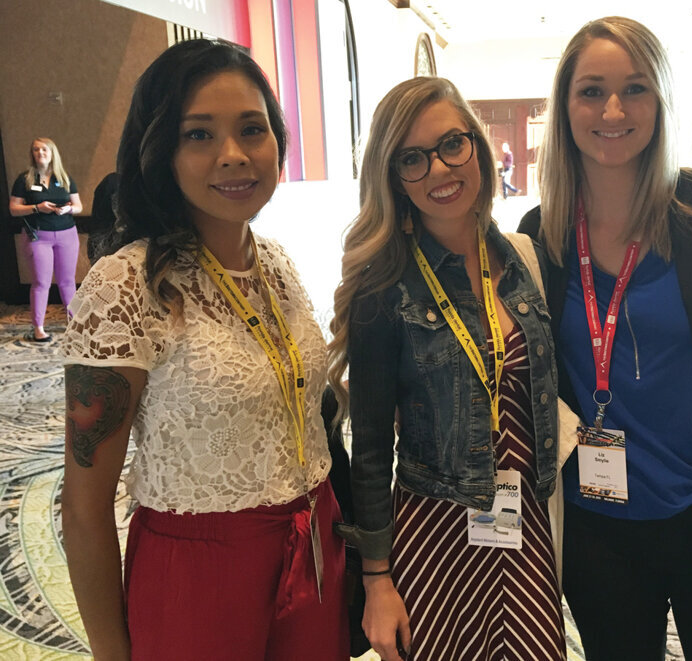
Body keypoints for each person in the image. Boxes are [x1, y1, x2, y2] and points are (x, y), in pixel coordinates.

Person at [517, 16, 692, 660]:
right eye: (591, 90)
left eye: (636, 89)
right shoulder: (542, 234)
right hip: (600, 526)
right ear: (564, 107)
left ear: (662, 101)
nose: (613, 109)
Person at [60, 39, 348, 661]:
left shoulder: (275, 263)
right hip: (197, 572)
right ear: (160, 150)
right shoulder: (124, 286)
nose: (234, 155)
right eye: (199, 135)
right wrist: (112, 651)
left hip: (313, 554)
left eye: (253, 128)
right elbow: (83, 508)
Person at [329, 76, 565, 661]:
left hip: (525, 523)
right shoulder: (382, 289)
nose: (439, 170)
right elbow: (370, 449)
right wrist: (377, 580)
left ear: (477, 150)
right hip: (435, 534)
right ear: (393, 178)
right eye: (412, 159)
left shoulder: (521, 258)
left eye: (451, 145)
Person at [8, 137, 83, 342]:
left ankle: (74, 322)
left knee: (67, 282)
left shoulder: (65, 178)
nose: (40, 153)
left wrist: (69, 209)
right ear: (32, 154)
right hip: (38, 236)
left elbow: (78, 206)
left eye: (44, 150)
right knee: (41, 282)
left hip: (67, 233)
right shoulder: (24, 180)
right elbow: (14, 209)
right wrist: (36, 208)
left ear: (52, 154)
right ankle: (38, 327)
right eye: (36, 150)